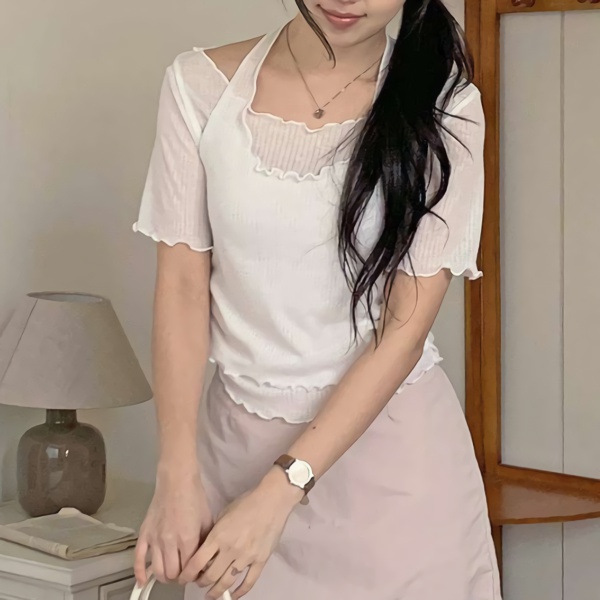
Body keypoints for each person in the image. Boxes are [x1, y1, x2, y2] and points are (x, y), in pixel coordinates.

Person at [131, 1, 501, 598]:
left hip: (393, 474)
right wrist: (176, 474)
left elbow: (403, 331)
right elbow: (180, 286)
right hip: (235, 457)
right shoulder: (199, 87)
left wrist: (281, 491)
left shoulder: (447, 106)